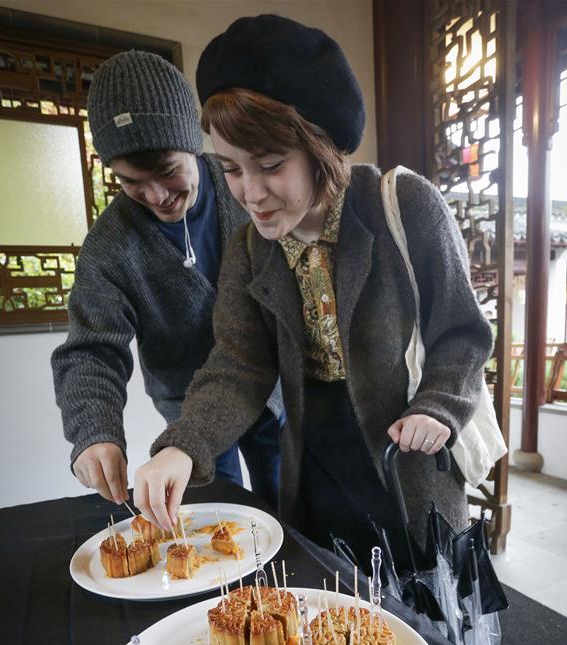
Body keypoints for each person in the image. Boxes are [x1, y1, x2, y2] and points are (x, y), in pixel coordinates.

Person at [133, 15, 494, 571]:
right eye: (231, 169)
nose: (251, 193)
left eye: (270, 165)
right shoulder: (250, 249)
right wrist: (184, 445)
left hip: (406, 453)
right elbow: (238, 366)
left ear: (319, 146)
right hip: (316, 464)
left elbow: (462, 333)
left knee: (424, 601)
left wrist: (440, 405)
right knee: (332, 602)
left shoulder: (404, 205)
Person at [51, 50, 283, 509]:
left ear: (192, 143)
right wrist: (95, 431)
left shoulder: (244, 190)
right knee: (218, 513)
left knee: (286, 501)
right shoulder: (110, 246)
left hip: (270, 385)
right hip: (188, 407)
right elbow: (91, 350)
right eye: (131, 182)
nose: (157, 196)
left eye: (167, 172)